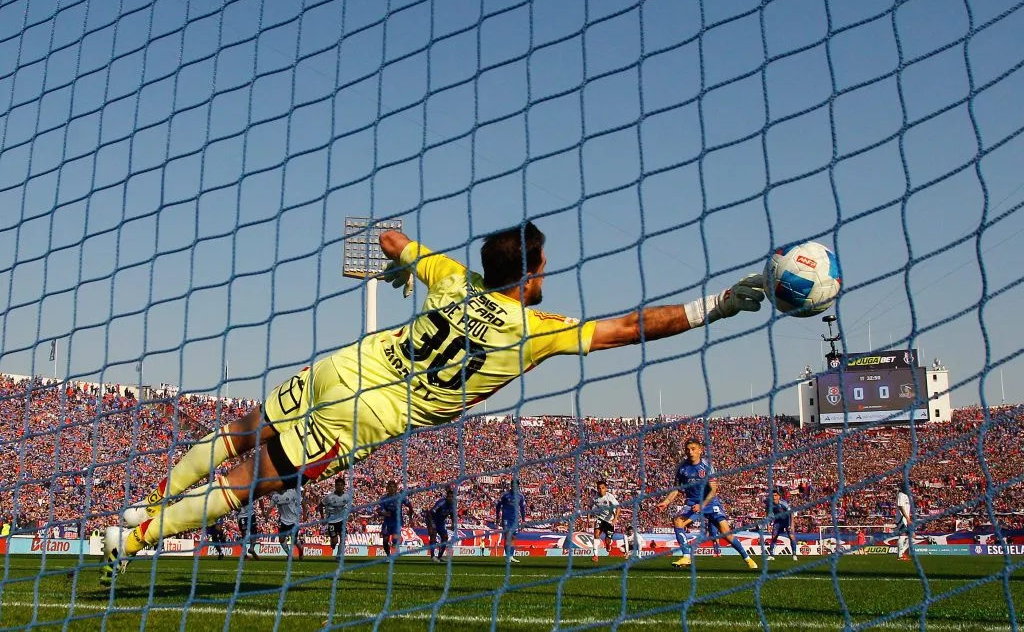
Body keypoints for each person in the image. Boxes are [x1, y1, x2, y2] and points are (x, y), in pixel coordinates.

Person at [104, 221, 765, 582]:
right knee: (246, 483)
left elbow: (391, 236)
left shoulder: (450, 276)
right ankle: (130, 538)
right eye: (543, 268)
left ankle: (149, 502)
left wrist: (399, 262)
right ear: (530, 275)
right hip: (367, 411)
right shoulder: (539, 328)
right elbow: (633, 327)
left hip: (346, 364)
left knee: (233, 434)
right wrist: (720, 305)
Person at [656, 438, 757, 570]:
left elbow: (714, 490)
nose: (690, 452)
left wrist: (702, 505)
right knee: (678, 521)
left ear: (700, 450)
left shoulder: (707, 466)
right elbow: (676, 489)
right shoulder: (681, 468)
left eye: (693, 449)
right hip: (692, 503)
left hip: (710, 502)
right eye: (687, 449)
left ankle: (747, 558)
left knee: (726, 533)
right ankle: (686, 556)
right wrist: (666, 502)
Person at [379, 480, 414, 557]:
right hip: (387, 522)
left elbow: (410, 506)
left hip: (397, 522)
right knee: (385, 541)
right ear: (387, 488)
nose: (391, 488)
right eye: (390, 487)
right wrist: (384, 513)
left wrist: (411, 517)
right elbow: (379, 510)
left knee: (395, 540)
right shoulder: (383, 498)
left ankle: (395, 544)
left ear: (396, 488)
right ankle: (388, 555)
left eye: (393, 487)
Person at [320, 477, 353, 559]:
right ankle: (333, 543)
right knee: (335, 541)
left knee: (342, 539)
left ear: (344, 486)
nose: (339, 487)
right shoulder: (329, 497)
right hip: (332, 521)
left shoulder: (347, 497)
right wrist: (322, 517)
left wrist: (350, 515)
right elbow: (320, 506)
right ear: (335, 486)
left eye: (341, 485)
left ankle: (339, 555)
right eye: (338, 485)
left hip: (342, 520)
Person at [496, 480, 528, 563]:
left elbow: (523, 508)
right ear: (511, 486)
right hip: (506, 518)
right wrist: (497, 517)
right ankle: (507, 556)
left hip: (515, 519)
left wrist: (523, 520)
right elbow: (498, 505)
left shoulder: (520, 496)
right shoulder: (505, 495)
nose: (514, 487)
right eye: (513, 485)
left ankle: (511, 556)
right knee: (507, 536)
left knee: (513, 538)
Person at [270, 487, 304, 560]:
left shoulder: (292, 492)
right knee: (281, 540)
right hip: (283, 521)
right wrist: (266, 515)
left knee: (294, 540)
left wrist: (304, 514)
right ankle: (289, 555)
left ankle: (300, 548)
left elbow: (302, 502)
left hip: (294, 520)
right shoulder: (275, 496)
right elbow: (270, 507)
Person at [590, 479, 620, 563]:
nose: (601, 490)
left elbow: (618, 507)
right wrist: (589, 518)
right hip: (600, 518)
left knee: (608, 540)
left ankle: (608, 544)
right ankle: (595, 555)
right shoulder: (595, 498)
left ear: (606, 488)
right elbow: (590, 507)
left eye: (602, 488)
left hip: (610, 520)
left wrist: (615, 518)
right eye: (599, 488)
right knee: (596, 534)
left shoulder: (609, 497)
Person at [765, 489, 798, 562]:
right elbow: (767, 515)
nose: (774, 497)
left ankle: (794, 555)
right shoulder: (769, 504)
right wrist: (768, 525)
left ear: (779, 496)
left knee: (791, 537)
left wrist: (792, 524)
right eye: (772, 495)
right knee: (774, 537)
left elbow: (791, 513)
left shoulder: (783, 503)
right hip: (778, 522)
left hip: (786, 521)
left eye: (775, 495)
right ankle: (771, 555)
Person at [427, 485, 457, 562]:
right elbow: (430, 513)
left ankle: (439, 557)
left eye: (452, 497)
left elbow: (452, 515)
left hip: (441, 522)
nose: (450, 498)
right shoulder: (441, 503)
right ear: (447, 496)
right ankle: (433, 556)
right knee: (433, 537)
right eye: (449, 497)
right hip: (433, 520)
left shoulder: (453, 505)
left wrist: (453, 524)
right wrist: (431, 525)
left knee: (445, 538)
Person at [896, 478, 912, 561]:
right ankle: (900, 555)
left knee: (912, 537)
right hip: (902, 519)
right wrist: (907, 518)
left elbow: (906, 508)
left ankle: (902, 552)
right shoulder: (901, 495)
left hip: (906, 519)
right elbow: (901, 507)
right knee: (902, 536)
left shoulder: (906, 496)